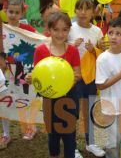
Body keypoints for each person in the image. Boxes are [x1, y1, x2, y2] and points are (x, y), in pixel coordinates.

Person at [27, 12, 81, 158]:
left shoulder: (73, 51)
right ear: (49, 30)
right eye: (56, 29)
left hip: (69, 99)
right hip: (49, 99)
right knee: (53, 134)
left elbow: (78, 74)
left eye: (64, 29)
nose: (60, 33)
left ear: (69, 30)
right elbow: (38, 74)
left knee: (69, 135)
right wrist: (31, 78)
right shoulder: (41, 50)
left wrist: (72, 78)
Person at [67, 0, 105, 157]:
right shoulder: (69, 28)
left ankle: (90, 143)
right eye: (80, 8)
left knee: (89, 109)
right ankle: (72, 146)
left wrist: (93, 50)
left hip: (90, 76)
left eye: (87, 8)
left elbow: (103, 55)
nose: (83, 12)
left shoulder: (97, 31)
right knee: (72, 111)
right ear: (75, 10)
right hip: (73, 76)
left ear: (93, 11)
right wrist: (71, 46)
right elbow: (60, 48)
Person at [95, 17, 121, 158]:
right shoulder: (102, 59)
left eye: (118, 34)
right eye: (111, 32)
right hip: (110, 106)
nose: (113, 37)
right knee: (112, 142)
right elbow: (100, 84)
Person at [0, 0, 37, 145]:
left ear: (22, 13)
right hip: (5, 72)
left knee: (26, 99)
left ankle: (31, 127)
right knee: (4, 101)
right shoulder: (2, 29)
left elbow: (38, 43)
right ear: (5, 11)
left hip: (23, 71)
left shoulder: (28, 29)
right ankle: (6, 133)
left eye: (17, 12)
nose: (13, 15)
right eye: (11, 12)